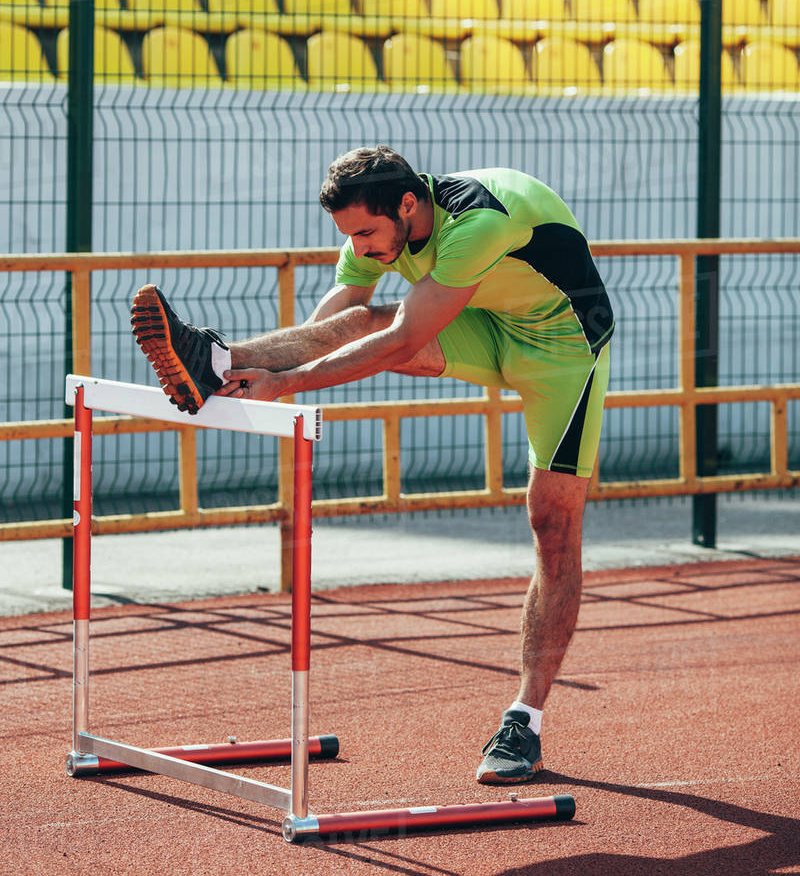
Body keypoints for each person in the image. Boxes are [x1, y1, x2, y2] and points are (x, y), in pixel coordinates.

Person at [131, 145, 614, 785]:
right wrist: (260, 369)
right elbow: (343, 314)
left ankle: (524, 719)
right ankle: (212, 359)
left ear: (407, 205)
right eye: (348, 236)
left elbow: (402, 340)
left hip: (564, 348)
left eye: (364, 233)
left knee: (552, 524)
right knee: (363, 319)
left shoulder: (478, 223)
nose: (357, 246)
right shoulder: (378, 223)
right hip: (486, 320)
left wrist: (287, 381)